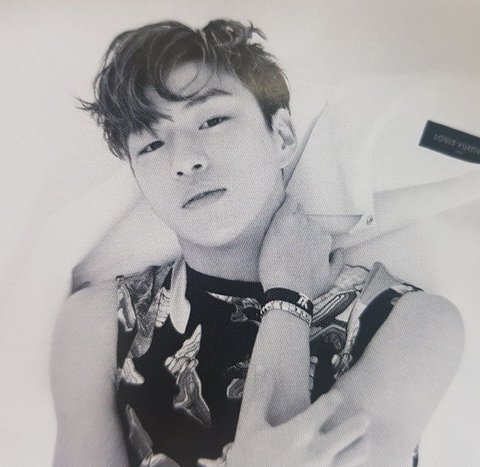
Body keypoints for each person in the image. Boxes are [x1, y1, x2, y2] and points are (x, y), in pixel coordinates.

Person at [50, 19, 464, 466]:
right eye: (151, 145)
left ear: (282, 136)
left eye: (212, 120)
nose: (185, 160)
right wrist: (287, 295)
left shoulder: (410, 324)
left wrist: (287, 297)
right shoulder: (99, 325)